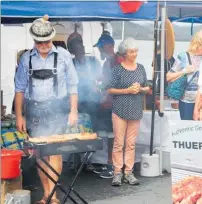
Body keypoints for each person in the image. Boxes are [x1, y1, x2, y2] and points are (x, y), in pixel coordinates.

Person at [15, 15, 78, 204]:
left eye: (46, 41)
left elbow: (73, 86)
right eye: (39, 42)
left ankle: (53, 196)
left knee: (54, 152)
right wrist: (19, 115)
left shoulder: (64, 56)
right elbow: (19, 89)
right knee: (41, 154)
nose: (43, 45)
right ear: (34, 40)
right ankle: (46, 195)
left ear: (52, 37)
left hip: (57, 109)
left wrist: (73, 111)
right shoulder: (26, 59)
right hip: (34, 111)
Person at [107, 38, 150, 186]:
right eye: (131, 51)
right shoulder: (117, 69)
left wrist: (140, 89)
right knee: (119, 143)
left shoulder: (141, 68)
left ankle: (128, 172)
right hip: (119, 109)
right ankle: (117, 172)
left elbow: (147, 87)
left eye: (136, 51)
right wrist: (127, 90)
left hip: (135, 109)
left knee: (131, 143)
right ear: (124, 53)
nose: (134, 54)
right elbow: (110, 89)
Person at [92, 34, 123, 179]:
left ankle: (113, 165)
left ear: (108, 46)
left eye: (100, 48)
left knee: (113, 135)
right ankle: (108, 162)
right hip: (106, 103)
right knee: (106, 133)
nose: (99, 51)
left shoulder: (119, 61)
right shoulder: (106, 63)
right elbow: (105, 81)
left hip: (116, 103)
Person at [166, 31, 202, 120]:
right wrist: (184, 71)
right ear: (198, 43)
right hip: (187, 101)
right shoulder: (184, 56)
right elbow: (168, 77)